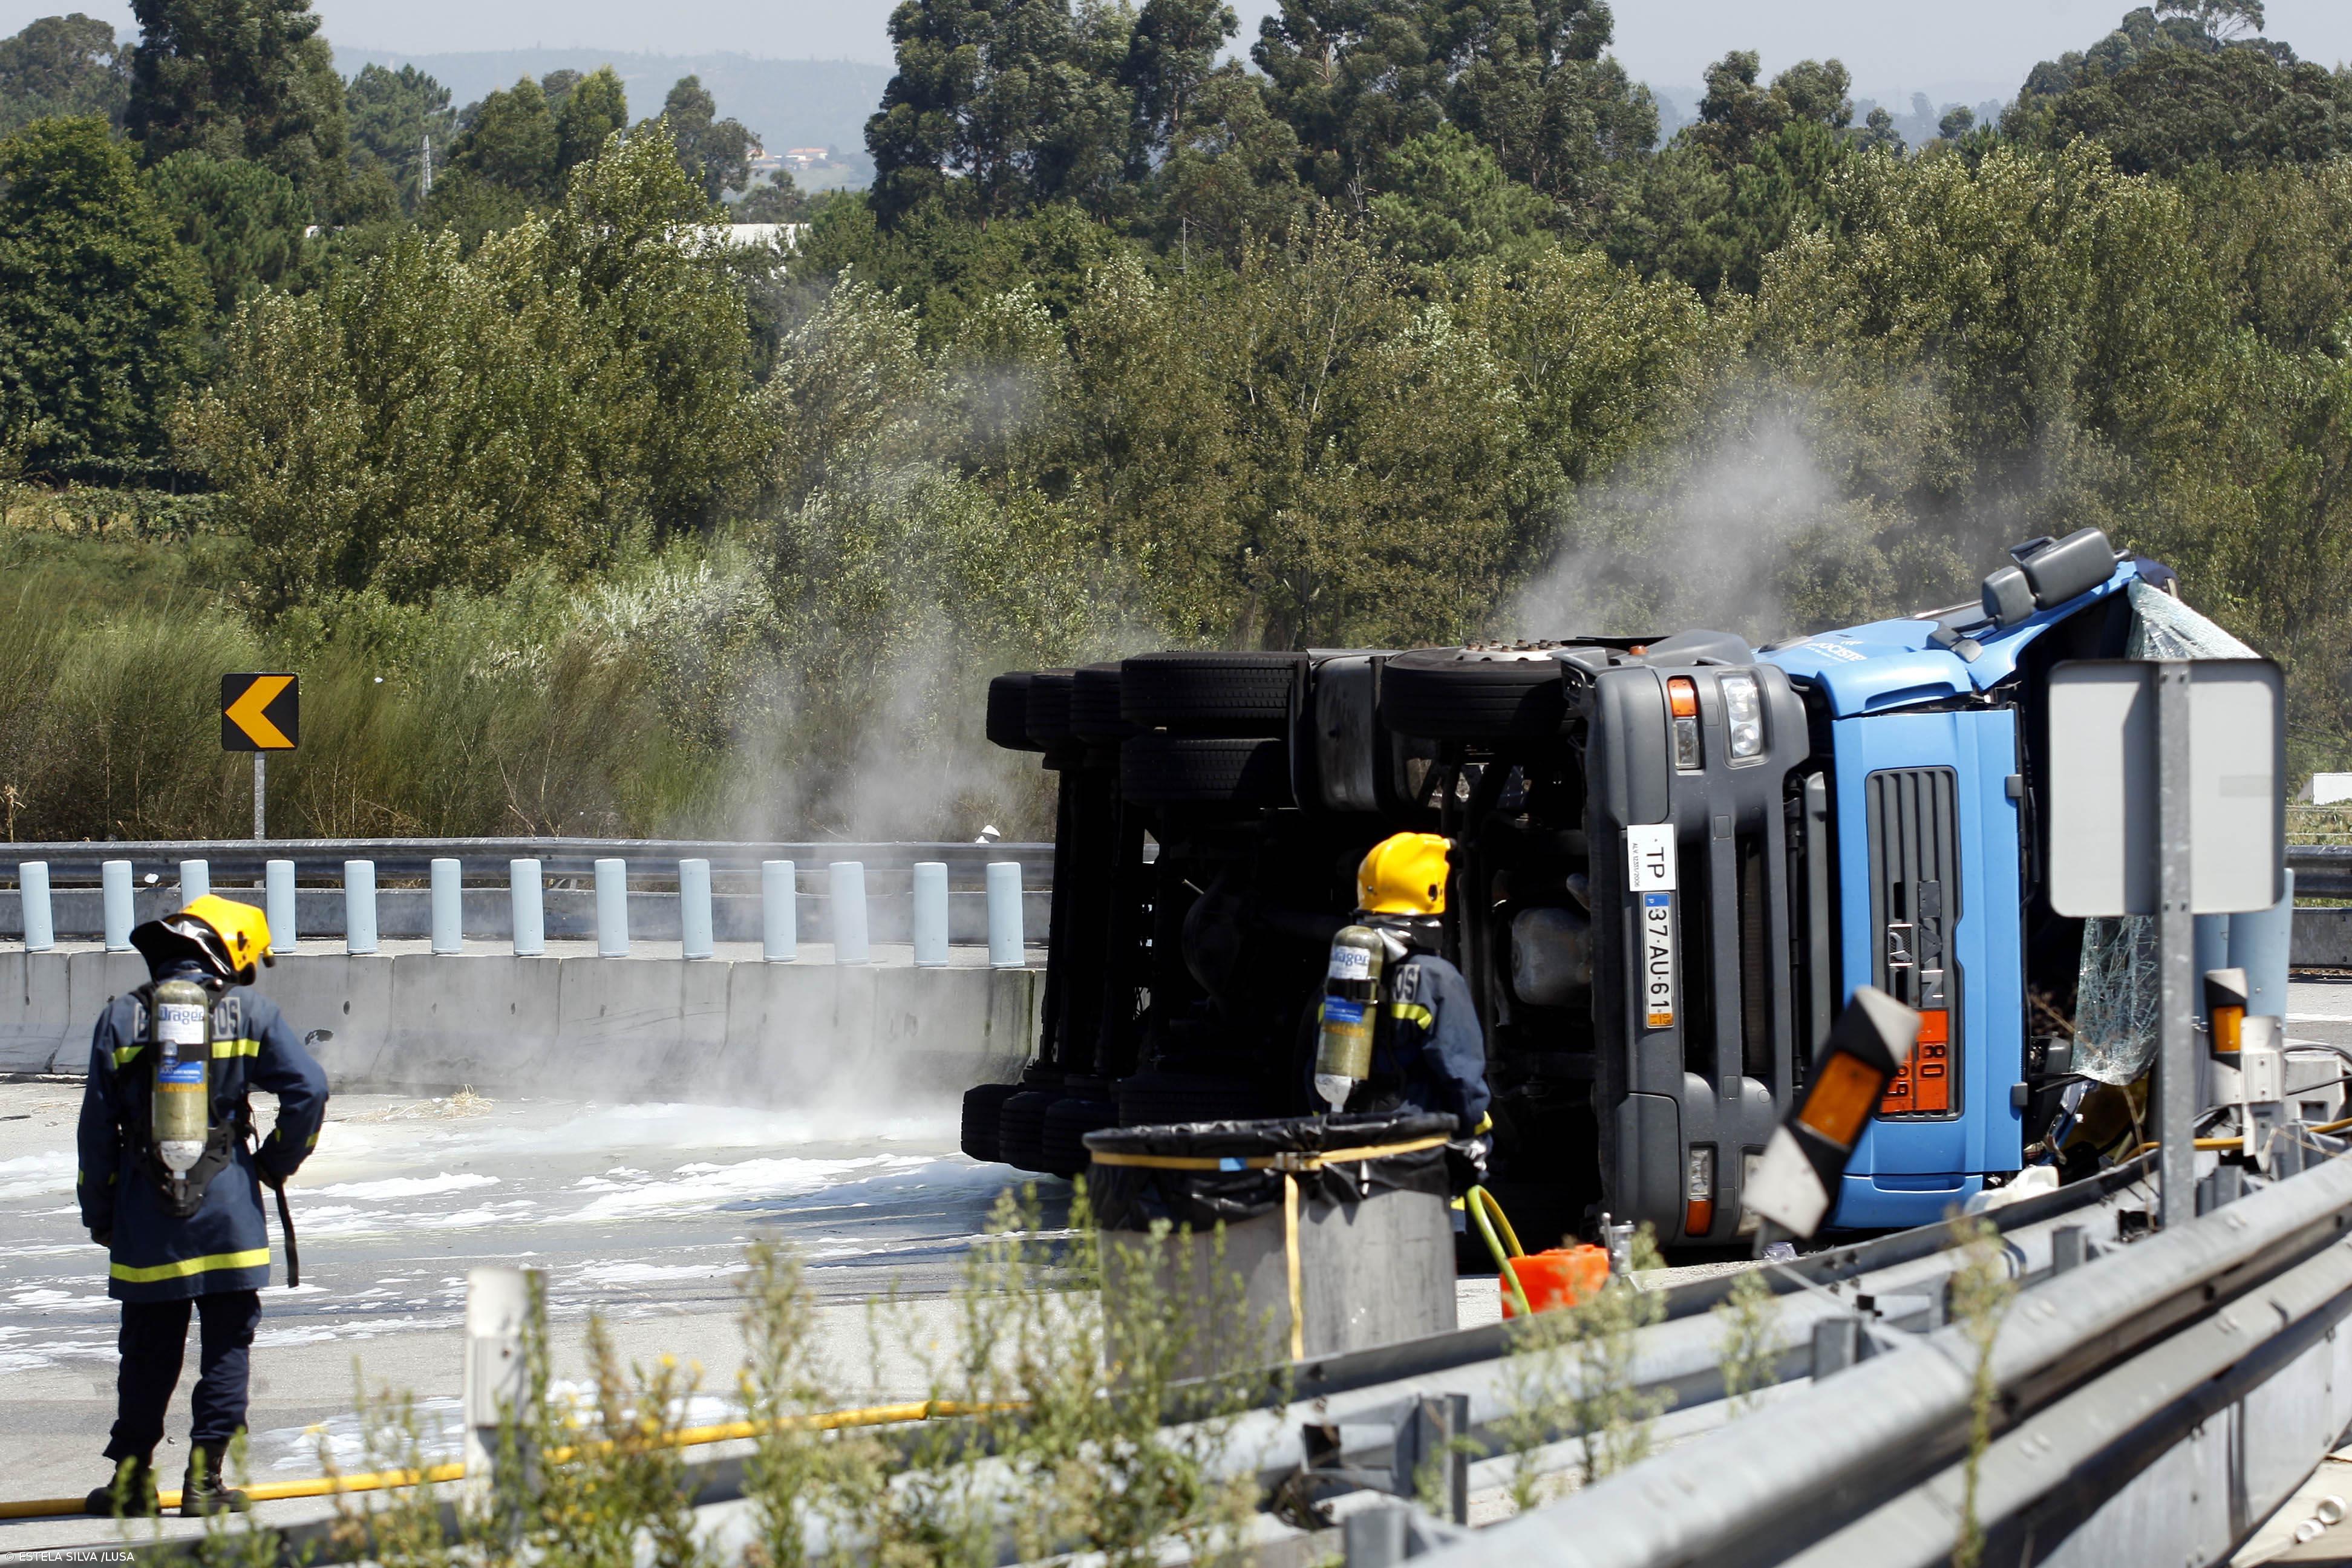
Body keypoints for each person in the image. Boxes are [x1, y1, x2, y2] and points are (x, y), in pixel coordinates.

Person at [77, 895, 327, 1518]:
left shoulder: (119, 1019)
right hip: (228, 1217)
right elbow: (310, 1091)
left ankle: (132, 1484)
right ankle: (204, 1483)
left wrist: (102, 1213)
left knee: (146, 1352)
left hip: (147, 1221)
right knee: (226, 1349)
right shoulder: (252, 1014)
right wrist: (273, 1162)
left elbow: (94, 1134)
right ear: (228, 953)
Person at [1341, 832, 1494, 1177]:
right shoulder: (1436, 978)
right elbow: (1461, 1074)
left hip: (1350, 1146)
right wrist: (1476, 1139)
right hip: (1417, 1151)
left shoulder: (1344, 973)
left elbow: (1314, 1065)